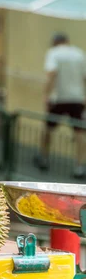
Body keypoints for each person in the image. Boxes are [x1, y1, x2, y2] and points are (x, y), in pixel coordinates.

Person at [34, 33, 86, 178]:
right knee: (80, 133)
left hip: (59, 98)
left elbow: (52, 74)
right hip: (77, 98)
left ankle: (44, 158)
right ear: (67, 42)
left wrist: (46, 94)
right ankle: (79, 166)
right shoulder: (79, 54)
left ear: (55, 43)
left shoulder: (54, 53)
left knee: (48, 129)